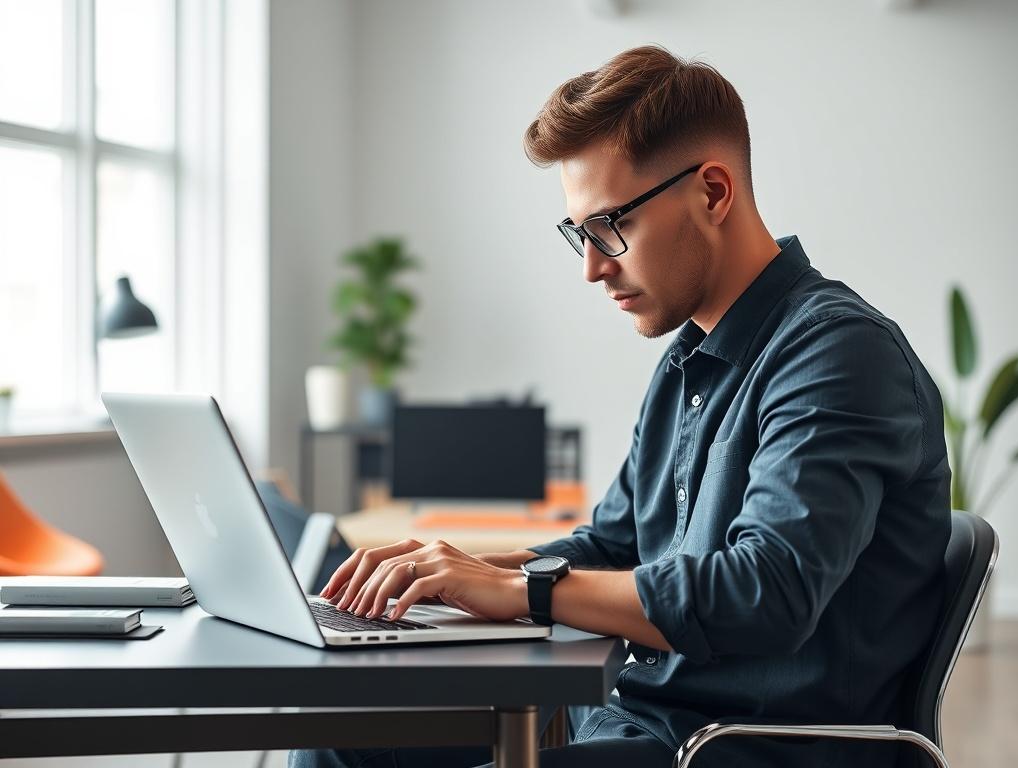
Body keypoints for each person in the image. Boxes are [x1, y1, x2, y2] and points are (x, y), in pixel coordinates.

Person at [290, 45, 951, 768]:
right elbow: (612, 546)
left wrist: (521, 592)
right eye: (580, 233)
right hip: (630, 724)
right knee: (337, 740)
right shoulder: (687, 360)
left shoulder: (839, 354)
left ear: (713, 193)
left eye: (610, 227)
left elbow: (765, 593)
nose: (592, 267)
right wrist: (451, 571)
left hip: (729, 750)